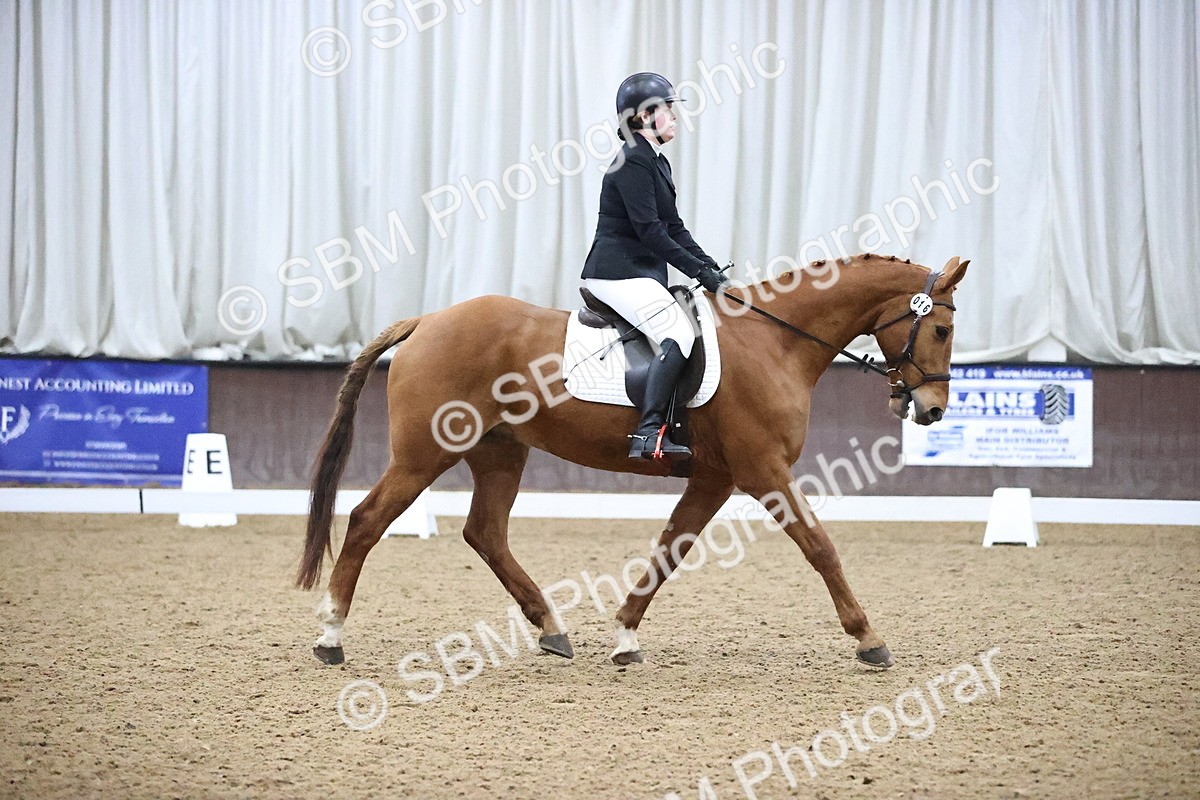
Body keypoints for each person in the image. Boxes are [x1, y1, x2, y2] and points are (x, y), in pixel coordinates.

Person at [581, 72, 729, 460]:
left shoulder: (656, 162)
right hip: (616, 271)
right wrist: (697, 272)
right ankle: (648, 431)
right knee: (678, 332)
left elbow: (674, 228)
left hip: (639, 272)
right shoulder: (631, 161)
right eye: (668, 110)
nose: (676, 118)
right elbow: (650, 232)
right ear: (644, 117)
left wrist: (708, 265)